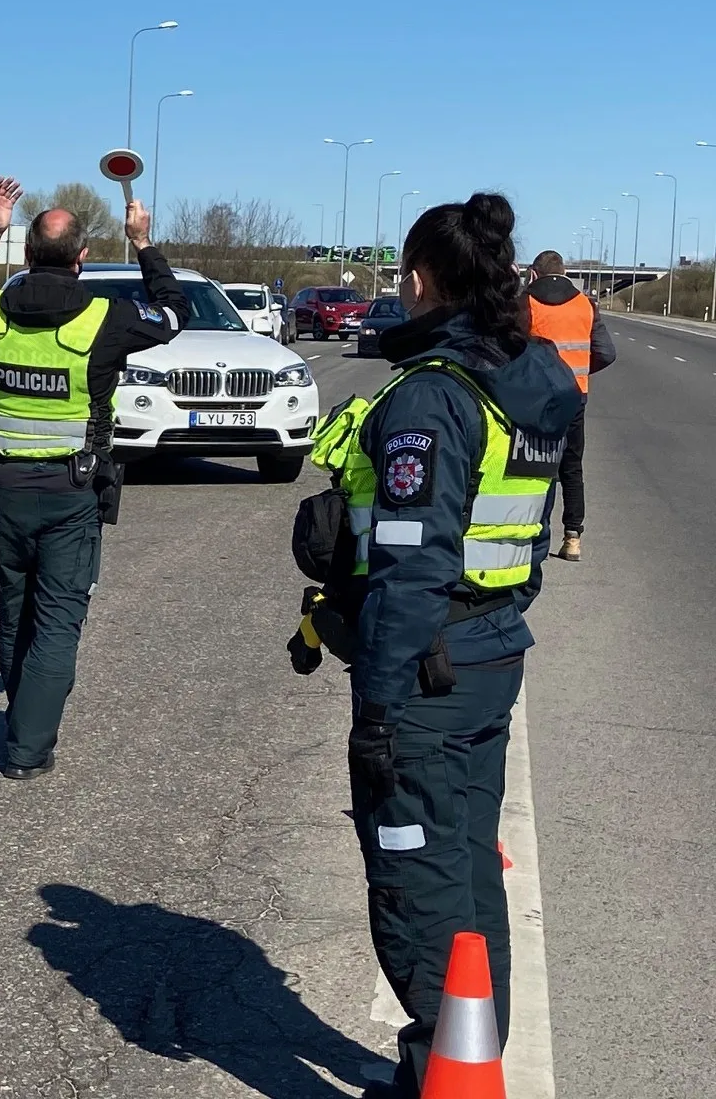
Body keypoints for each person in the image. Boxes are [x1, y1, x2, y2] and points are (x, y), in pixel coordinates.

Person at [312, 195, 580, 1098]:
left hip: (429, 670)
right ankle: (465, 1062)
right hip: (493, 653)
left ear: (420, 280)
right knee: (466, 872)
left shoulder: (433, 395)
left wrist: (379, 711)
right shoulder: (527, 375)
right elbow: (521, 534)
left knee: (416, 883)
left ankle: (444, 1074)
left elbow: (412, 565)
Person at [0, 178, 192, 780]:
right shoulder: (105, 318)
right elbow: (174, 315)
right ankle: (26, 750)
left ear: (25, 255)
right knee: (57, 620)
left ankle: (23, 714)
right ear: (82, 258)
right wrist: (143, 245)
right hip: (72, 493)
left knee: (14, 609)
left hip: (5, 488)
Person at [524, 249, 615, 561]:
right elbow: (607, 352)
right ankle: (572, 537)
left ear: (534, 274)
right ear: (564, 273)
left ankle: (535, 531)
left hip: (533, 398)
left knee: (534, 464)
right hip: (575, 396)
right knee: (572, 467)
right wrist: (578, 370)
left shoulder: (525, 302)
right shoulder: (585, 304)